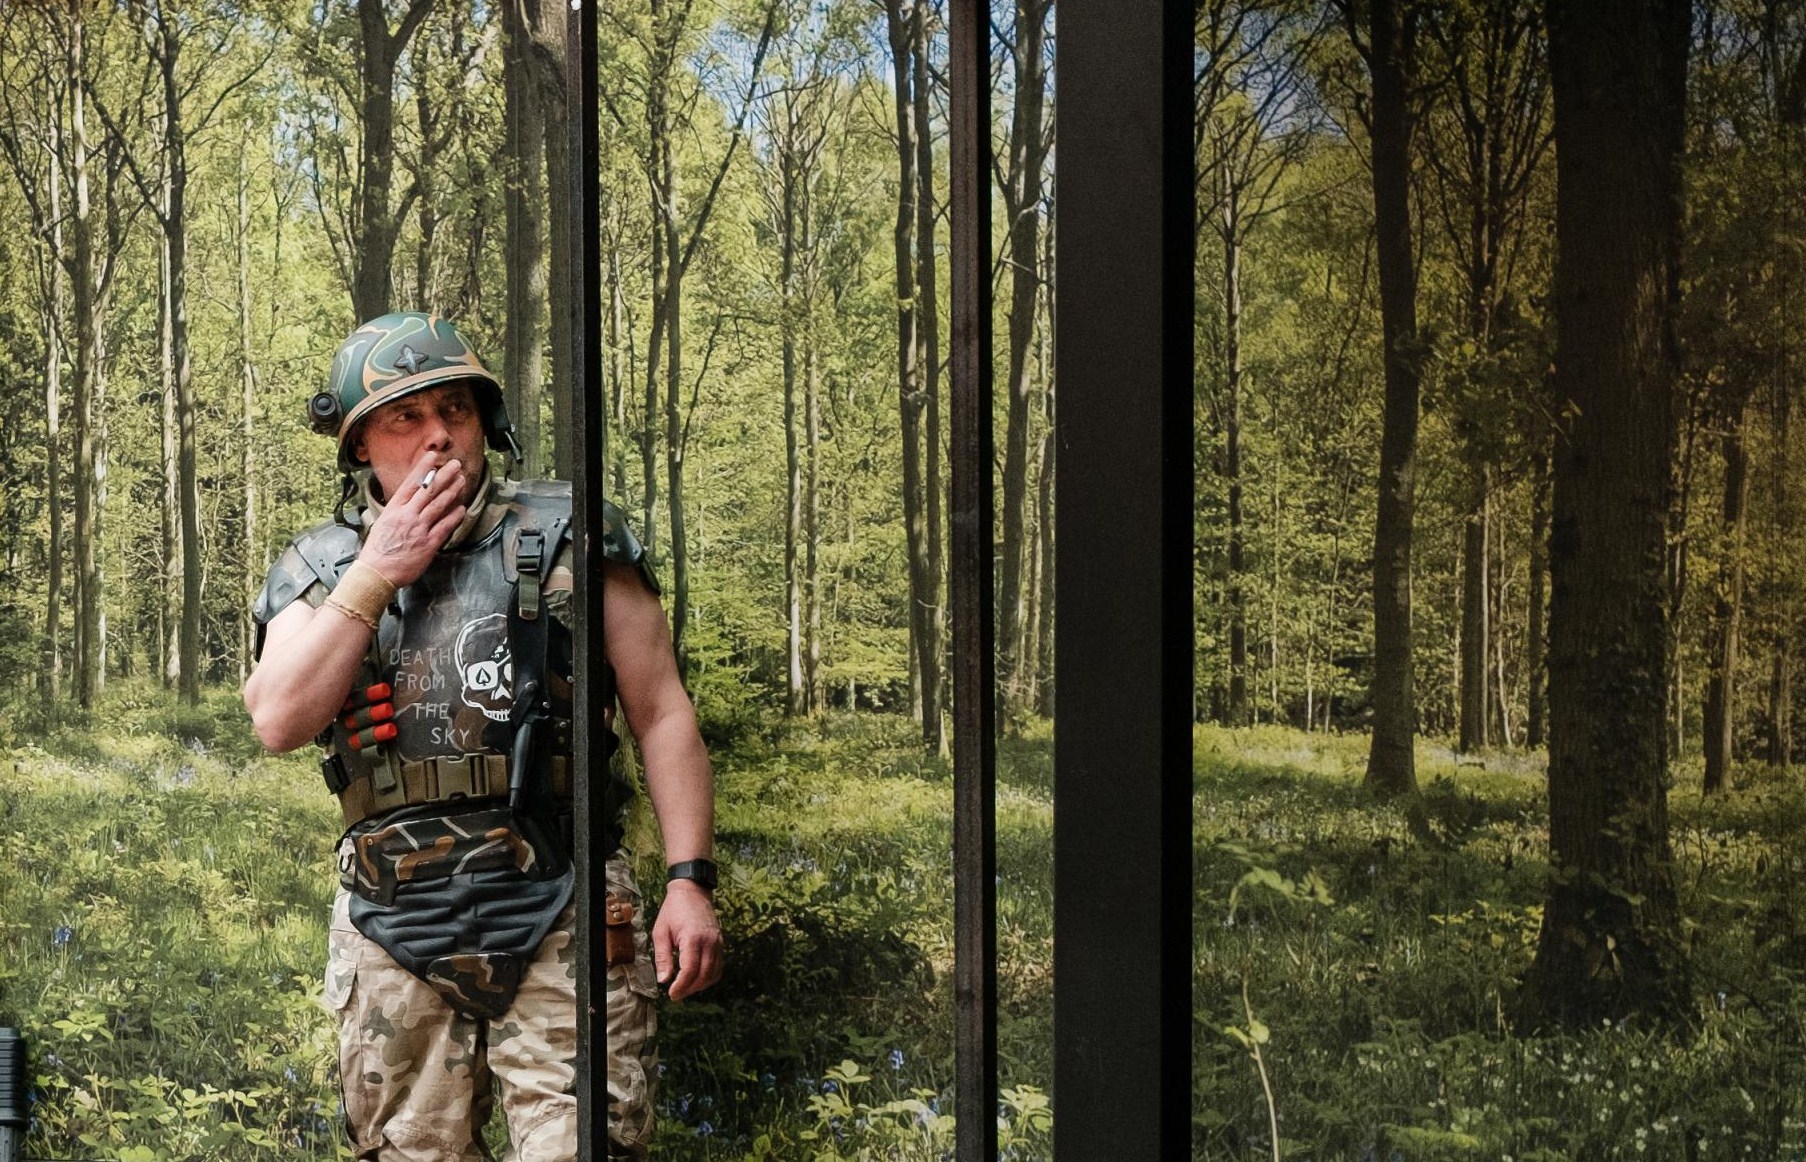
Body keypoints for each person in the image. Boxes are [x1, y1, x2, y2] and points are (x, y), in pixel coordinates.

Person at [243, 312, 722, 1161]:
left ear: (485, 422)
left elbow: (662, 711)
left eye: (456, 411)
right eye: (406, 417)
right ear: (360, 444)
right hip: (393, 919)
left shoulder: (572, 534)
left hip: (562, 898)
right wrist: (378, 571)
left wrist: (690, 880)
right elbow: (279, 718)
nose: (439, 436)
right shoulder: (320, 567)